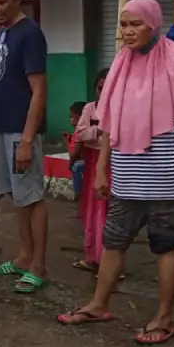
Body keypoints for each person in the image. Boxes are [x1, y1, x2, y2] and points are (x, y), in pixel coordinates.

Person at [57, 0, 174, 343]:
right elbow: (109, 122)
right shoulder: (122, 65)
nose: (126, 31)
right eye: (123, 24)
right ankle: (98, 305)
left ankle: (164, 319)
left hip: (167, 176)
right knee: (114, 240)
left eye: (135, 24)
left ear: (153, 24)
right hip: (126, 175)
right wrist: (103, 170)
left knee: (164, 245)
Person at [0, 0, 49, 294]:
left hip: (23, 131)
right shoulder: (0, 35)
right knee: (17, 197)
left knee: (32, 198)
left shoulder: (30, 34)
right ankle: (24, 256)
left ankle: (39, 265)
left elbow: (38, 92)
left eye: (1, 2)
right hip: (3, 128)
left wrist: (26, 139)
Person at [70, 68, 110, 273]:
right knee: (91, 210)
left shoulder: (121, 108)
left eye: (107, 87)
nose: (103, 92)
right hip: (93, 162)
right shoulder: (89, 108)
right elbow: (81, 133)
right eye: (99, 88)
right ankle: (92, 256)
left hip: (116, 164)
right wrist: (100, 131)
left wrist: (97, 133)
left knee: (109, 214)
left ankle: (109, 263)